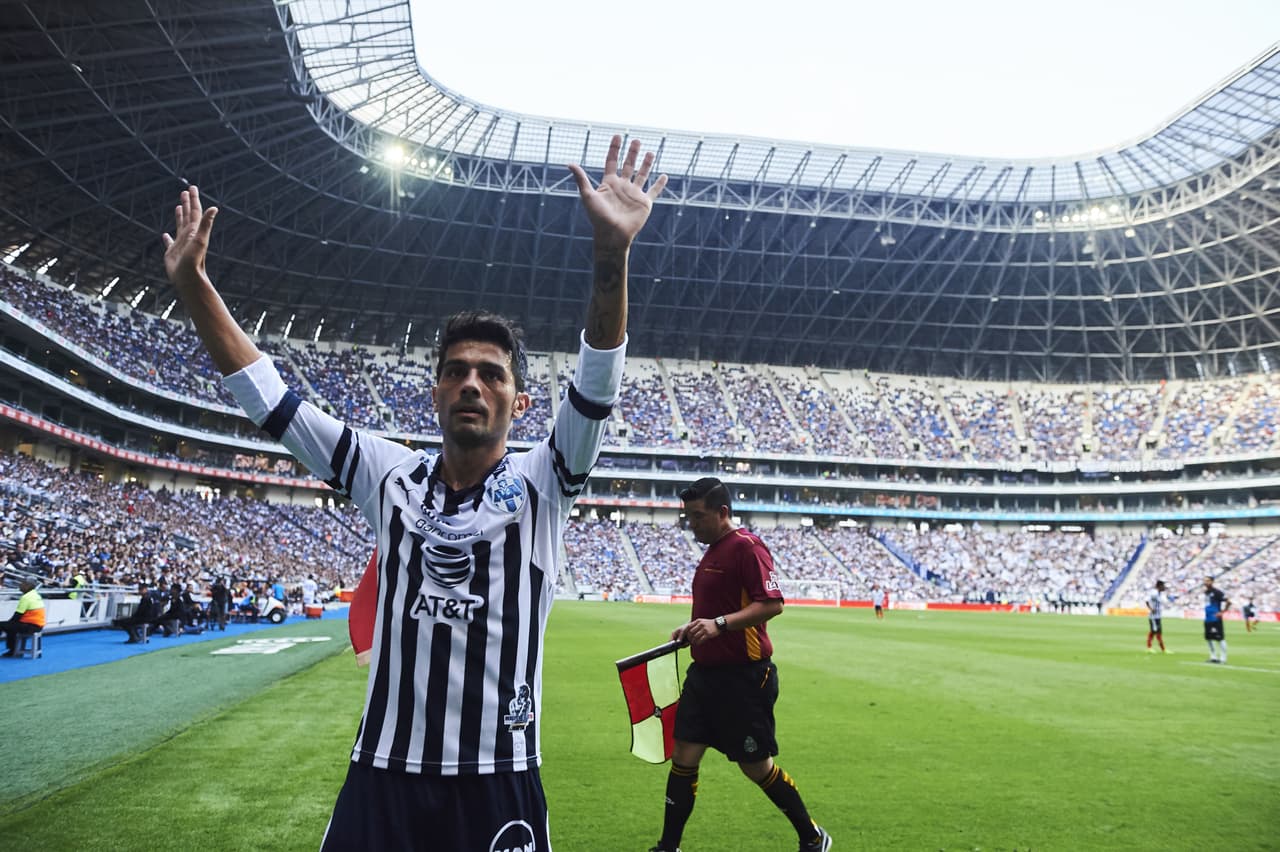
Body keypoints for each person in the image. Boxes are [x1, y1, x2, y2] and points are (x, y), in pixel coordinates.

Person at [161, 134, 666, 851]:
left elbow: (596, 386)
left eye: (492, 374)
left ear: (520, 404)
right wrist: (194, 285)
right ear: (435, 393)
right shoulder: (388, 474)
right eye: (456, 371)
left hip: (497, 777)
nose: (471, 384)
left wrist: (612, 254)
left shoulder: (546, 481)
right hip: (383, 777)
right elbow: (273, 402)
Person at [650, 477, 830, 852]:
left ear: (723, 512)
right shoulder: (712, 551)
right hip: (704, 676)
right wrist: (693, 628)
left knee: (756, 767)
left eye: (698, 516)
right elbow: (720, 608)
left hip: (744, 678)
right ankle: (668, 847)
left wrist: (718, 625)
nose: (692, 524)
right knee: (683, 756)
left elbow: (773, 604)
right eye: (688, 517)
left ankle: (813, 836)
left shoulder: (748, 548)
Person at [1, 579, 45, 656]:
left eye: (22, 583)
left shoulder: (26, 597)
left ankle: (12, 650)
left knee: (5, 626)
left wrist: (7, 625)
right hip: (38, 625)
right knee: (10, 627)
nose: (20, 585)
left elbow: (17, 615)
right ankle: (13, 650)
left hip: (30, 626)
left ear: (28, 586)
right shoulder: (36, 595)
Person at [1203, 576, 1231, 664]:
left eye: (1208, 581)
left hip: (1215, 619)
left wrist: (1222, 612)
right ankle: (1213, 657)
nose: (1206, 582)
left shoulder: (1217, 592)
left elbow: (1228, 601)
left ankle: (1223, 658)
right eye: (1205, 581)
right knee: (1209, 638)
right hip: (1207, 619)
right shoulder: (1206, 592)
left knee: (1220, 638)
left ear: (1212, 581)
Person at [1146, 580, 1167, 653]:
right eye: (1163, 586)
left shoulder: (1160, 594)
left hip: (1158, 616)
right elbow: (1146, 601)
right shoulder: (1153, 593)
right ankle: (1149, 648)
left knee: (1159, 632)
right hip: (1153, 617)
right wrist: (1151, 609)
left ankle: (1163, 649)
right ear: (1159, 586)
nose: (1164, 587)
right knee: (1154, 631)